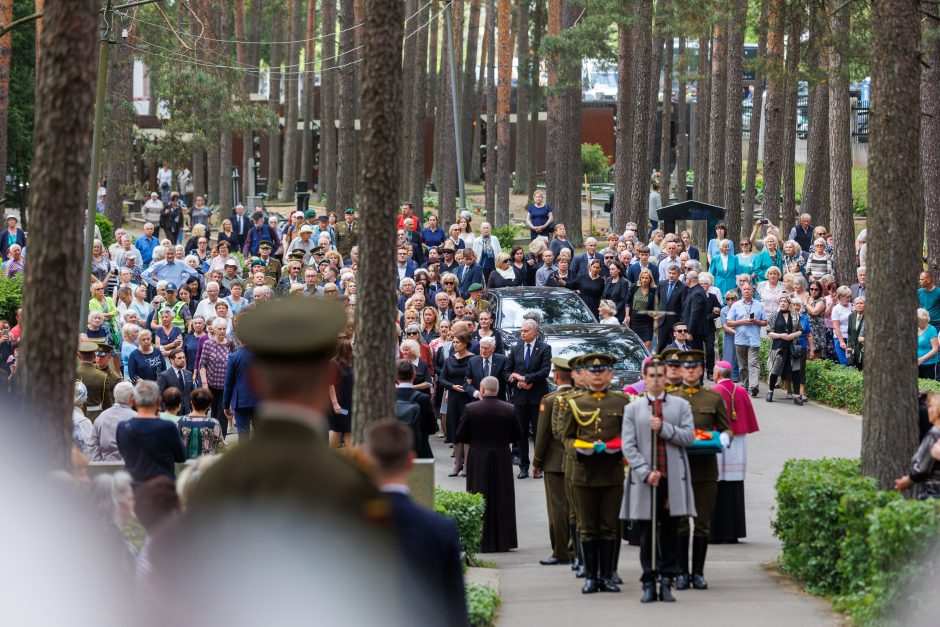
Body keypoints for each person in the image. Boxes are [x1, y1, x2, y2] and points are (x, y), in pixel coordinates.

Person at [363, 421, 467, 627]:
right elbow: (455, 609)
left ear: (365, 461)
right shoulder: (440, 528)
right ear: (411, 461)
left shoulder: (343, 526)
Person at [621, 359, 696, 603]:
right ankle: (648, 580)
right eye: (650, 375)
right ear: (644, 376)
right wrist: (644, 471)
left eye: (659, 375)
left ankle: (666, 580)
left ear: (665, 377)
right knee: (646, 533)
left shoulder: (681, 405)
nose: (655, 380)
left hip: (672, 477)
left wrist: (664, 428)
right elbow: (628, 445)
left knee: (670, 531)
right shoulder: (633, 409)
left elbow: (688, 437)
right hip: (646, 479)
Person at [555, 354, 630, 594]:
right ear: (584, 374)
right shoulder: (575, 402)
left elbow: (629, 435)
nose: (597, 375)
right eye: (592, 371)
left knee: (609, 526)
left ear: (610, 374)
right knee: (587, 526)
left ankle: (607, 575)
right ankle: (590, 576)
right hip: (583, 471)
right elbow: (565, 435)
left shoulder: (622, 402)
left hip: (612, 472)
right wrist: (578, 449)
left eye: (603, 371)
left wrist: (620, 448)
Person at [669, 350, 731, 591]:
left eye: (696, 367)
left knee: (703, 523)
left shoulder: (712, 398)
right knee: (681, 523)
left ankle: (698, 573)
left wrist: (724, 438)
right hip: (678, 467)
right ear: (681, 371)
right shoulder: (671, 397)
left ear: (702, 370)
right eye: (687, 367)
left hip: (705, 469)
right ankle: (681, 572)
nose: (692, 371)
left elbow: (726, 428)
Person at [456, 376, 522, 552]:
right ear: (498, 390)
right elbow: (517, 435)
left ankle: (481, 539)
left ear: (482, 390)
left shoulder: (471, 408)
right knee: (503, 496)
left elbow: (460, 435)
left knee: (479, 494)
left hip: (478, 454)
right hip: (502, 454)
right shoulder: (509, 409)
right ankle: (505, 540)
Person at [709, 362, 759, 543]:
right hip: (738, 443)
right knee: (734, 486)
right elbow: (749, 419)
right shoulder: (741, 391)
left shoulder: (714, 392)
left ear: (717, 374)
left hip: (719, 442)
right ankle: (733, 533)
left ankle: (716, 532)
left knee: (717, 484)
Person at [532, 357, 575, 566]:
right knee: (575, 506)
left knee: (557, 508)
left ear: (556, 376)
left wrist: (537, 461)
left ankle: (561, 551)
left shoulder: (549, 400)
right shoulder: (579, 397)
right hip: (576, 459)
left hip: (554, 462)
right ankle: (575, 548)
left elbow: (543, 435)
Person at [116, 380, 186, 484]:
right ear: (158, 401)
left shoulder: (123, 427)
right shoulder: (168, 427)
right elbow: (181, 457)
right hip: (162, 489)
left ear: (134, 401)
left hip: (134, 489)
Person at [507, 319, 552, 479]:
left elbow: (545, 371)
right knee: (522, 433)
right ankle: (523, 466)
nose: (522, 333)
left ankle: (539, 465)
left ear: (534, 332)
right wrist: (519, 383)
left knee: (539, 432)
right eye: (521, 331)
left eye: (525, 331)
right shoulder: (516, 348)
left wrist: (526, 378)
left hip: (537, 396)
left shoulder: (544, 348)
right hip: (520, 397)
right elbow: (507, 371)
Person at [440, 332, 475, 476]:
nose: (455, 344)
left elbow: (475, 376)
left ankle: (467, 464)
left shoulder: (473, 359)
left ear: (465, 343)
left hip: (468, 398)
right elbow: (442, 379)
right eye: (453, 342)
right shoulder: (449, 360)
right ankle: (457, 463)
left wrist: (468, 386)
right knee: (454, 429)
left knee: (467, 430)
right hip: (454, 397)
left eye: (457, 342)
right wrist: (452, 386)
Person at [90, 471, 138, 575]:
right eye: (130, 499)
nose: (134, 502)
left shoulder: (99, 531)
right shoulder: (112, 539)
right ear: (115, 502)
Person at [894, 392, 940, 499]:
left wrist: (908, 479)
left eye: (930, 406)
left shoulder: (934, 434)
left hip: (933, 493)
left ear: (938, 411)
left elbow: (922, 468)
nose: (928, 410)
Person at [766, 295, 804, 403]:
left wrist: (793, 335)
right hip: (778, 346)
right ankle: (770, 392)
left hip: (792, 347)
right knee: (775, 370)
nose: (782, 303)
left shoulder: (796, 315)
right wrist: (781, 335)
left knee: (796, 371)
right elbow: (769, 332)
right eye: (781, 301)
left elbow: (801, 330)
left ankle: (797, 395)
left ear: (789, 303)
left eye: (785, 301)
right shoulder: (774, 315)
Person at [199, 318, 233, 437]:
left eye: (224, 329)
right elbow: (202, 364)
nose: (222, 331)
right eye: (219, 329)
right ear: (214, 330)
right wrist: (204, 384)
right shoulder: (208, 344)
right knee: (212, 413)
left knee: (222, 413)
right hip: (211, 385)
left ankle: (221, 440)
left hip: (225, 386)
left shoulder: (230, 344)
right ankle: (210, 438)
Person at [89, 381, 136, 461]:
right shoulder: (136, 418)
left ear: (114, 395)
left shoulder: (101, 417)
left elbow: (93, 445)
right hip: (130, 468)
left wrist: (99, 466)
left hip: (105, 467)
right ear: (132, 397)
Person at [222, 343, 258, 441]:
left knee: (243, 436)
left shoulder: (234, 356)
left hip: (241, 400)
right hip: (260, 400)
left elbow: (228, 383)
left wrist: (225, 405)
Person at [177, 388, 225, 459]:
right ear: (209, 405)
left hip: (185, 465)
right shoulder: (214, 423)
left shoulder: (181, 421)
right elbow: (220, 446)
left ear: (191, 403)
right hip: (207, 465)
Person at [326, 337, 354, 449]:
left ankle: (353, 459)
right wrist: (334, 403)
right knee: (338, 429)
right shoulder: (333, 364)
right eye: (350, 348)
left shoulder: (352, 361)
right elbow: (330, 385)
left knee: (348, 430)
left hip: (349, 403)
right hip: (338, 404)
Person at [626, 268, 658, 350]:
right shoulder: (634, 287)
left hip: (647, 320)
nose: (644, 280)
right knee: (634, 343)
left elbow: (656, 307)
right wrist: (627, 316)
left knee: (648, 343)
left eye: (646, 278)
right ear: (640, 278)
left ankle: (647, 362)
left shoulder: (654, 290)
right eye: (642, 278)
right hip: (635, 319)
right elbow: (627, 301)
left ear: (650, 279)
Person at [657, 265, 687, 351]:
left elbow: (683, 306)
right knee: (661, 345)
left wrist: (681, 323)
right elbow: (658, 301)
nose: (671, 275)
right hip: (662, 321)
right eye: (669, 273)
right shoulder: (662, 284)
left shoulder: (683, 287)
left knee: (675, 346)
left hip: (675, 322)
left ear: (678, 274)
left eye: (674, 273)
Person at [157, 349, 193, 415]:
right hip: (171, 413)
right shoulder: (164, 376)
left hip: (186, 413)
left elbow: (191, 394)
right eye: (179, 358)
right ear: (171, 360)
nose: (182, 360)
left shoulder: (189, 374)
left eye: (183, 357)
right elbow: (160, 396)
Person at [830, 286, 854, 366]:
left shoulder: (852, 306)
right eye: (847, 297)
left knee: (852, 362)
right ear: (840, 297)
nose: (849, 299)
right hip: (840, 337)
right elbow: (836, 326)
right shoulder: (836, 309)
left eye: (850, 296)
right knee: (844, 362)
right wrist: (841, 342)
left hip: (851, 338)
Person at [917, 308, 939, 380]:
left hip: (929, 364)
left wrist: (922, 359)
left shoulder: (931, 329)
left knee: (929, 388)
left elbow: (935, 349)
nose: (916, 322)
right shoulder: (914, 329)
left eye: (918, 321)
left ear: (924, 320)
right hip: (916, 364)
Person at [846, 297, 866, 370]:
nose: (859, 305)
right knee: (856, 368)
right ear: (854, 305)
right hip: (855, 348)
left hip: (864, 347)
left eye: (861, 303)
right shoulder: (851, 316)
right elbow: (850, 333)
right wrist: (849, 345)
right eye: (857, 303)